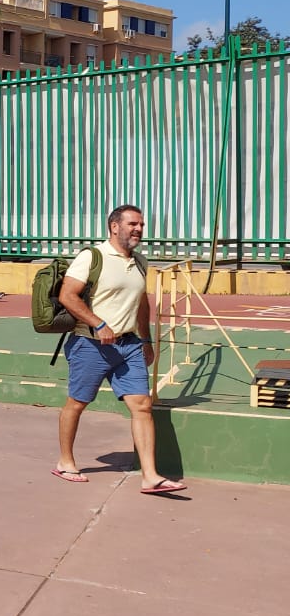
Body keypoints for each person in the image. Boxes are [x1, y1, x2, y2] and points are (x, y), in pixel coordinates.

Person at [52, 205, 186, 495]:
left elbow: (141, 302)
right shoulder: (92, 257)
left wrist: (147, 340)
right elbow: (67, 295)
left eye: (141, 224)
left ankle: (150, 476)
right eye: (132, 224)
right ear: (114, 226)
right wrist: (98, 323)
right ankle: (65, 461)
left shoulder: (140, 261)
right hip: (90, 344)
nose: (138, 229)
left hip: (129, 345)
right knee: (77, 402)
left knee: (142, 405)